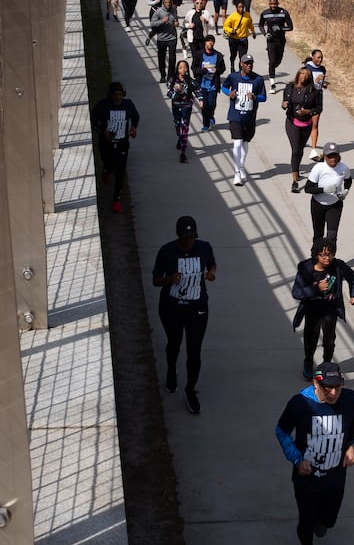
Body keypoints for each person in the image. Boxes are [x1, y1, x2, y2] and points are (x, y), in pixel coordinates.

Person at [274, 362, 354, 545]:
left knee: (328, 521)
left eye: (338, 387)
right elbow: (282, 431)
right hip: (306, 479)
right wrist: (296, 459)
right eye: (328, 388)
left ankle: (321, 521)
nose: (333, 393)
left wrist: (352, 446)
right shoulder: (300, 403)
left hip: (336, 476)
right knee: (306, 519)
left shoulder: (351, 400)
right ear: (316, 383)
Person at [152, 215, 216, 416]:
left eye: (192, 237)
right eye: (185, 238)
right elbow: (156, 280)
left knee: (194, 351)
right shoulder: (167, 251)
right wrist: (171, 278)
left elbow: (211, 264)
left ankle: (190, 389)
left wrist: (212, 273)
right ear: (178, 236)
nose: (189, 242)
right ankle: (171, 370)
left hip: (197, 307)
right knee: (174, 342)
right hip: (172, 307)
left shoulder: (204, 247)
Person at [292, 238, 354, 381]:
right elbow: (296, 292)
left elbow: (353, 277)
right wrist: (317, 289)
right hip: (312, 310)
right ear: (316, 255)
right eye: (323, 255)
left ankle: (326, 364)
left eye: (330, 254)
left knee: (329, 340)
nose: (327, 258)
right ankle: (308, 361)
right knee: (311, 338)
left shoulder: (338, 266)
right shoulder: (306, 269)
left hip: (330, 310)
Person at [92, 81, 139, 214]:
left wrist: (133, 128)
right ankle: (106, 170)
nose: (118, 97)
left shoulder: (128, 104)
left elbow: (135, 117)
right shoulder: (103, 105)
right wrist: (103, 131)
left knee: (120, 171)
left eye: (120, 94)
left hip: (122, 143)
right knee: (110, 164)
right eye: (115, 94)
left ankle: (116, 200)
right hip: (106, 144)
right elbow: (93, 120)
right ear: (110, 95)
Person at [221, 53, 266, 185]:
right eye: (246, 63)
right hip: (235, 116)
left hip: (250, 117)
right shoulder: (234, 77)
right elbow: (224, 86)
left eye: (251, 63)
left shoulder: (258, 80)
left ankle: (241, 167)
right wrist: (229, 93)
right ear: (241, 64)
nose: (249, 65)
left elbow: (263, 97)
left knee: (245, 144)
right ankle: (236, 173)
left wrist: (255, 97)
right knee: (237, 143)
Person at [304, 142, 352, 250]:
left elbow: (348, 181)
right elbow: (308, 188)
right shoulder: (319, 168)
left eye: (335, 155)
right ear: (325, 156)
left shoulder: (344, 168)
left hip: (334, 205)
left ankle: (331, 262)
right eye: (330, 156)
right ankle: (315, 261)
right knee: (318, 236)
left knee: (332, 237)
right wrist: (324, 190)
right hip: (318, 205)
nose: (333, 159)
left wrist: (345, 191)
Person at [282, 66, 322, 193]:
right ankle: (294, 181)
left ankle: (297, 170)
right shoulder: (290, 87)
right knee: (295, 150)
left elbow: (319, 108)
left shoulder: (314, 91)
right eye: (301, 73)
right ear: (298, 75)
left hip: (306, 125)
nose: (304, 76)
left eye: (306, 74)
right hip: (292, 122)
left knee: (300, 150)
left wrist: (308, 111)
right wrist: (284, 104)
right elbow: (285, 101)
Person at [258, 0, 293, 93]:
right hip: (271, 41)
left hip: (281, 40)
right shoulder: (265, 13)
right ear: (269, 4)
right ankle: (272, 84)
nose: (273, 6)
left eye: (275, 4)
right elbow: (260, 25)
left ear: (278, 3)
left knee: (278, 61)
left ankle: (273, 68)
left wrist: (281, 29)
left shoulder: (284, 13)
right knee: (272, 61)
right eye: (271, 4)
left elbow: (290, 27)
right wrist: (265, 34)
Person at [167, 60, 200, 164]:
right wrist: (176, 93)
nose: (183, 69)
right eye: (180, 67)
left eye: (185, 67)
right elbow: (169, 93)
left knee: (184, 126)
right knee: (178, 125)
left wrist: (201, 100)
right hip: (176, 106)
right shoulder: (172, 80)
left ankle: (183, 152)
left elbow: (197, 90)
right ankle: (180, 138)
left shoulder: (190, 81)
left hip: (187, 106)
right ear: (177, 69)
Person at [193, 34, 226, 131]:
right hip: (202, 85)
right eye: (208, 41)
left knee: (212, 104)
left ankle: (211, 115)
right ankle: (206, 124)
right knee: (204, 105)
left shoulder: (218, 55)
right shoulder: (199, 54)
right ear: (205, 43)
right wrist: (203, 71)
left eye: (212, 41)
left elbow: (223, 68)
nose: (210, 43)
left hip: (213, 85)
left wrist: (217, 70)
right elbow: (194, 68)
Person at [149, 0, 179, 83]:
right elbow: (152, 23)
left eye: (169, 2)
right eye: (166, 2)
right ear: (163, 3)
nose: (168, 4)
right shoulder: (158, 12)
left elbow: (175, 19)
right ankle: (163, 75)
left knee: (172, 58)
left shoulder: (174, 10)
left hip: (172, 37)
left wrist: (176, 23)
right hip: (161, 38)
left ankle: (170, 76)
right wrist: (162, 21)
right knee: (161, 58)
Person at [304, 48, 327, 160]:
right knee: (305, 121)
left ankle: (313, 150)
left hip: (318, 96)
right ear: (312, 57)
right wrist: (315, 82)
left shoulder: (322, 69)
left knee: (315, 123)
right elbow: (303, 84)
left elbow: (321, 83)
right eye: (318, 57)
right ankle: (302, 140)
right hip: (308, 96)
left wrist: (323, 84)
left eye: (321, 57)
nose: (320, 59)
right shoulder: (307, 68)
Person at [222, 0, 255, 72]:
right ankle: (232, 65)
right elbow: (225, 26)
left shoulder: (247, 15)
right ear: (236, 7)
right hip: (233, 39)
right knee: (233, 55)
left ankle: (241, 71)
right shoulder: (232, 16)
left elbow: (250, 24)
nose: (241, 9)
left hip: (243, 39)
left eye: (242, 7)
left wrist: (253, 32)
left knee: (242, 57)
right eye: (239, 7)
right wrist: (231, 30)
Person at [183, 0, 214, 70]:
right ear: (194, 3)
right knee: (195, 57)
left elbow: (212, 26)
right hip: (193, 39)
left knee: (203, 57)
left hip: (203, 39)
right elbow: (184, 23)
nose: (199, 5)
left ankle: (202, 73)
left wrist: (206, 21)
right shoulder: (190, 13)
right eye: (197, 3)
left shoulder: (206, 13)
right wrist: (189, 25)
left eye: (201, 3)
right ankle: (195, 73)